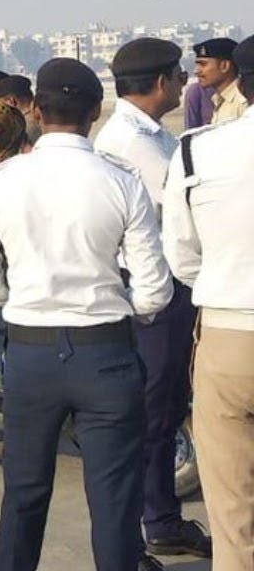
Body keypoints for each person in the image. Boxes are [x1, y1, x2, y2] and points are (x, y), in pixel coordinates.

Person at [0, 58, 174, 571]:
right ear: (95, 111)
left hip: (31, 353)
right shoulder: (121, 183)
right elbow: (154, 291)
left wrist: (28, 300)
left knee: (24, 492)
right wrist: (122, 313)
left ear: (35, 109)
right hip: (105, 354)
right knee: (114, 499)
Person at [96, 38, 211, 564]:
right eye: (180, 73)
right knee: (150, 416)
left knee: (162, 413)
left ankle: (161, 520)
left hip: (166, 288)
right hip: (156, 293)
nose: (187, 79)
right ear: (162, 82)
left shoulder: (146, 134)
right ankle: (146, 528)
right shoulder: (133, 141)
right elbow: (183, 207)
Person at [161, 35, 254, 571]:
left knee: (231, 505)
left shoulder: (197, 148)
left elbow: (182, 254)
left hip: (226, 333)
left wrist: (222, 283)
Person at [193, 38, 244, 125]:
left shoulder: (242, 100)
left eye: (203, 64)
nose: (196, 71)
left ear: (224, 66)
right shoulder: (219, 100)